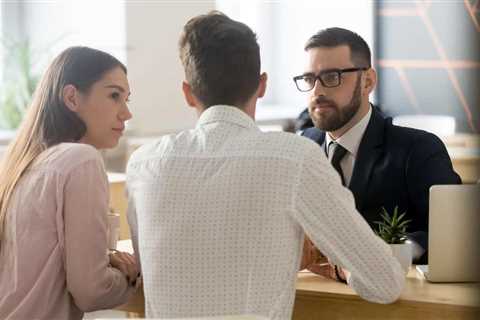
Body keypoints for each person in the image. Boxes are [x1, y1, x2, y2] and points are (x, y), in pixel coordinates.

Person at [126, 11, 404, 320]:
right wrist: (342, 269)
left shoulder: (143, 165)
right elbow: (385, 282)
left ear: (188, 94)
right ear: (261, 85)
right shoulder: (295, 160)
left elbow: (148, 270)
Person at [293, 27, 461, 266]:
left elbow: (453, 234)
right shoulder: (301, 146)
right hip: (313, 293)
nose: (317, 91)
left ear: (368, 81)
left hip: (394, 297)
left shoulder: (419, 150)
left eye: (332, 77)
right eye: (309, 79)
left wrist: (386, 251)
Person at [0, 46, 139, 320]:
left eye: (127, 99)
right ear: (72, 98)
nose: (126, 113)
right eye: (114, 96)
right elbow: (91, 291)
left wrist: (103, 260)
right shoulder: (81, 160)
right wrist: (129, 274)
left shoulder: (21, 163)